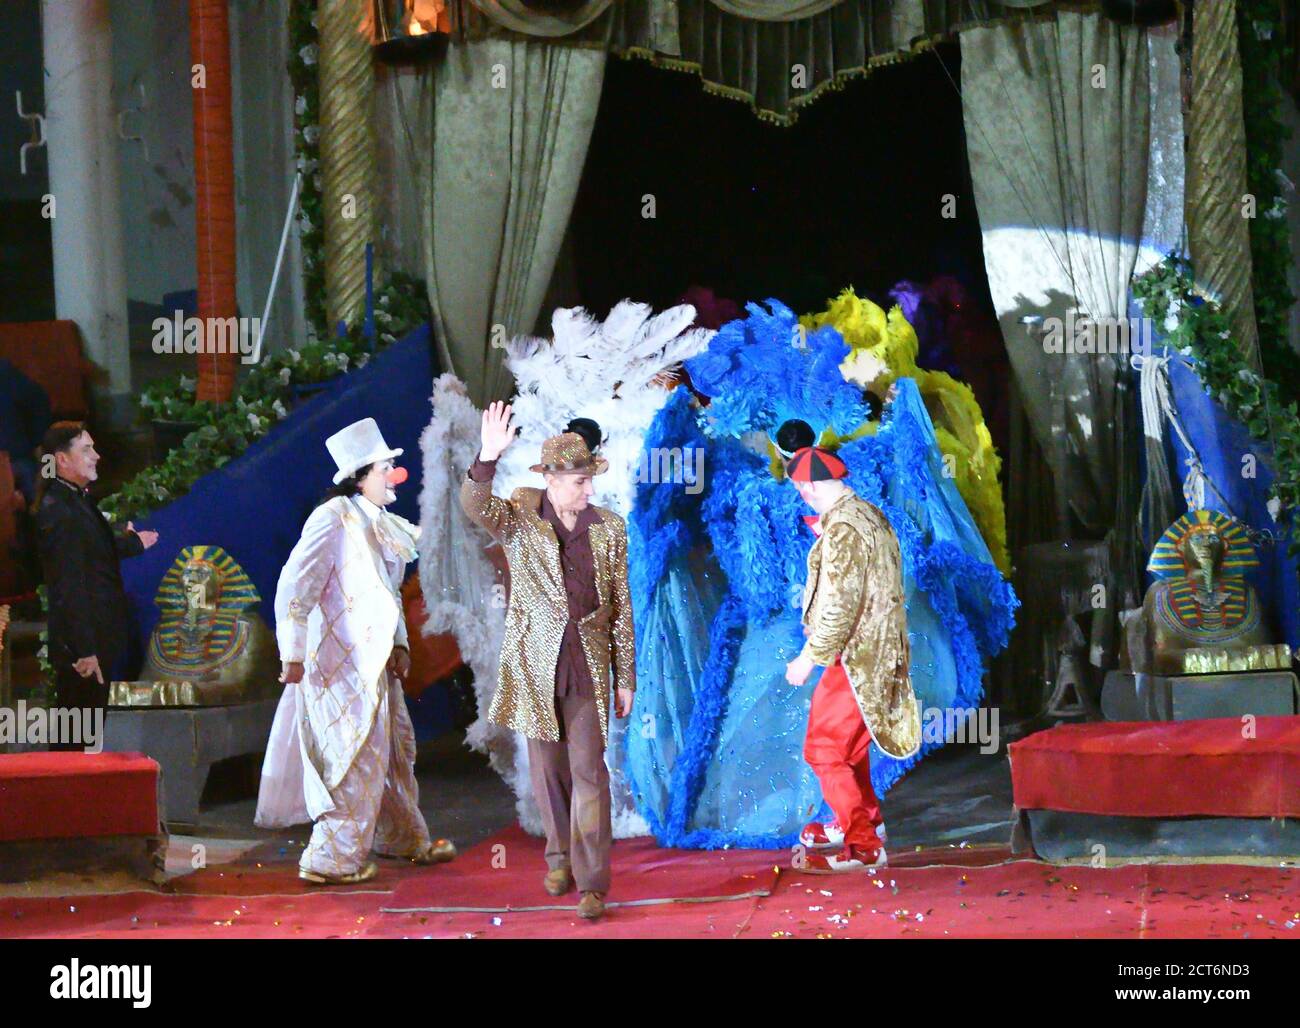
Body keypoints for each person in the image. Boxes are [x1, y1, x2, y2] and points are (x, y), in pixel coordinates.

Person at [255, 417, 455, 885]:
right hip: (337, 666)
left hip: (376, 665)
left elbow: (388, 592)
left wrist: (401, 644)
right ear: (361, 475)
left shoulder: (381, 523)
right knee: (353, 757)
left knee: (395, 751)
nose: (394, 476)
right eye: (387, 467)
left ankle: (400, 836)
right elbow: (295, 587)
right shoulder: (332, 519)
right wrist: (294, 653)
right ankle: (330, 859)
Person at [460, 401, 636, 921]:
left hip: (587, 665)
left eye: (589, 479)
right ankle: (558, 857)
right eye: (580, 481)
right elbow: (475, 506)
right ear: (553, 481)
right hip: (535, 664)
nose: (588, 490)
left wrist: (625, 676)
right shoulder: (520, 515)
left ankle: (593, 882)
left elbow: (621, 605)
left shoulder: (608, 528)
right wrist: (486, 458)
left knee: (589, 772)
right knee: (549, 771)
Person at [783, 443, 921, 872]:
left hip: (858, 656)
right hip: (878, 649)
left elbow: (843, 606)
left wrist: (809, 658)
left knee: (824, 749)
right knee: (850, 748)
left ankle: (864, 846)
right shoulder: (867, 513)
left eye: (800, 486)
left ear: (807, 486)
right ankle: (864, 821)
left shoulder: (844, 528)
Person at [34, 422, 158, 750]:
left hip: (93, 642)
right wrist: (85, 649)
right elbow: (68, 584)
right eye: (86, 450)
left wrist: (133, 543)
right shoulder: (60, 510)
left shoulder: (75, 500)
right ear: (62, 460)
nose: (96, 456)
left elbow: (96, 548)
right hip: (82, 650)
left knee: (83, 738)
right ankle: (62, 802)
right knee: (73, 743)